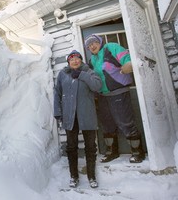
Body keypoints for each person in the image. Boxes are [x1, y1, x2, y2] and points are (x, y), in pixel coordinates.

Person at [84, 34, 145, 164]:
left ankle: (137, 152)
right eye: (89, 45)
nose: (92, 46)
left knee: (125, 122)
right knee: (107, 125)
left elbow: (125, 57)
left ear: (100, 41)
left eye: (94, 42)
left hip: (119, 92)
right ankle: (112, 152)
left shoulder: (111, 47)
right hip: (102, 96)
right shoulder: (92, 60)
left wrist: (128, 64)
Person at [53, 50, 102, 188]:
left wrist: (82, 75)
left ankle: (91, 176)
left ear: (81, 60)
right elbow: (57, 93)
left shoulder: (88, 71)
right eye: (72, 59)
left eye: (77, 58)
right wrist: (57, 111)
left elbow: (97, 86)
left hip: (87, 114)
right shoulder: (63, 74)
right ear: (68, 61)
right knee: (71, 147)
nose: (75, 61)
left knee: (90, 147)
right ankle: (73, 176)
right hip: (70, 116)